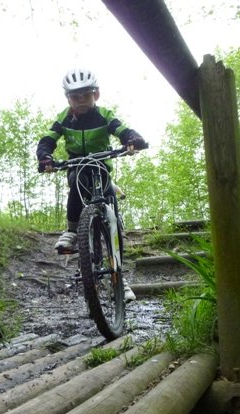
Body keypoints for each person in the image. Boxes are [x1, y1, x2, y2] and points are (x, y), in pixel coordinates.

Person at [36, 67, 147, 302]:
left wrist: (132, 140)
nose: (80, 100)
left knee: (114, 219)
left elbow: (122, 130)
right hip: (77, 167)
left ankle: (120, 276)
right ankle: (72, 231)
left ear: (95, 95)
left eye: (85, 95)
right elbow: (48, 139)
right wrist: (45, 156)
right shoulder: (64, 118)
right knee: (76, 179)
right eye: (75, 96)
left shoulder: (104, 115)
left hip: (102, 169)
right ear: (68, 98)